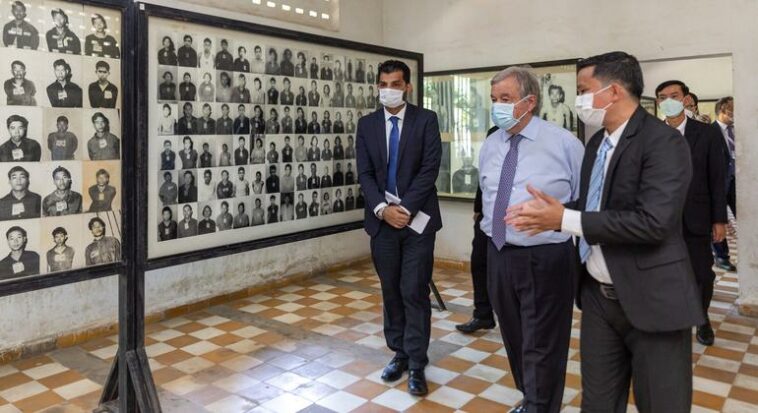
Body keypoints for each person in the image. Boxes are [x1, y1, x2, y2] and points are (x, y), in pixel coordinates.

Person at [507, 51, 702, 412]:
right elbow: (596, 208)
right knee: (597, 403)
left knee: (662, 404)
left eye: (584, 89)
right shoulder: (597, 143)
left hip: (652, 298)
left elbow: (654, 222)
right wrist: (552, 212)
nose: (579, 99)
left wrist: (564, 219)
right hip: (598, 297)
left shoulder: (663, 142)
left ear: (612, 92)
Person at [463, 67, 583, 412]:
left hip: (545, 257)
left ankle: (541, 405)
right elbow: (486, 194)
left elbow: (587, 201)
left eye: (506, 99)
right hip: (498, 253)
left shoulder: (564, 144)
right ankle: (531, 396)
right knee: (515, 336)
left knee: (543, 341)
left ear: (529, 102)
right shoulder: (491, 143)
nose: (497, 107)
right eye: (494, 100)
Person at [356, 60, 442, 396]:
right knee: (391, 290)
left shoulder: (426, 120)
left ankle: (418, 364)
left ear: (407, 86)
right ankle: (401, 353)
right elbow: (365, 174)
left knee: (414, 291)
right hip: (382, 225)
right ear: (377, 86)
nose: (388, 89)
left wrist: (404, 209)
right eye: (383, 83)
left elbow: (430, 168)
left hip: (417, 223)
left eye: (395, 83)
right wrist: (382, 209)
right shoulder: (367, 124)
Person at [656, 80, 728, 347]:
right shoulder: (651, 133)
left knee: (701, 273)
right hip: (660, 218)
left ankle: (702, 319)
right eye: (662, 97)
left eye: (674, 95)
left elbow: (717, 178)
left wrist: (719, 219)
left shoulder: (706, 133)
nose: (669, 101)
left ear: (686, 99)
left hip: (696, 216)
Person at [712, 96, 736, 271]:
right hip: (717, 183)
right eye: (731, 111)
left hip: (737, 183)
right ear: (721, 110)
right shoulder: (709, 131)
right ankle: (721, 256)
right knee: (717, 221)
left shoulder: (739, 129)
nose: (734, 115)